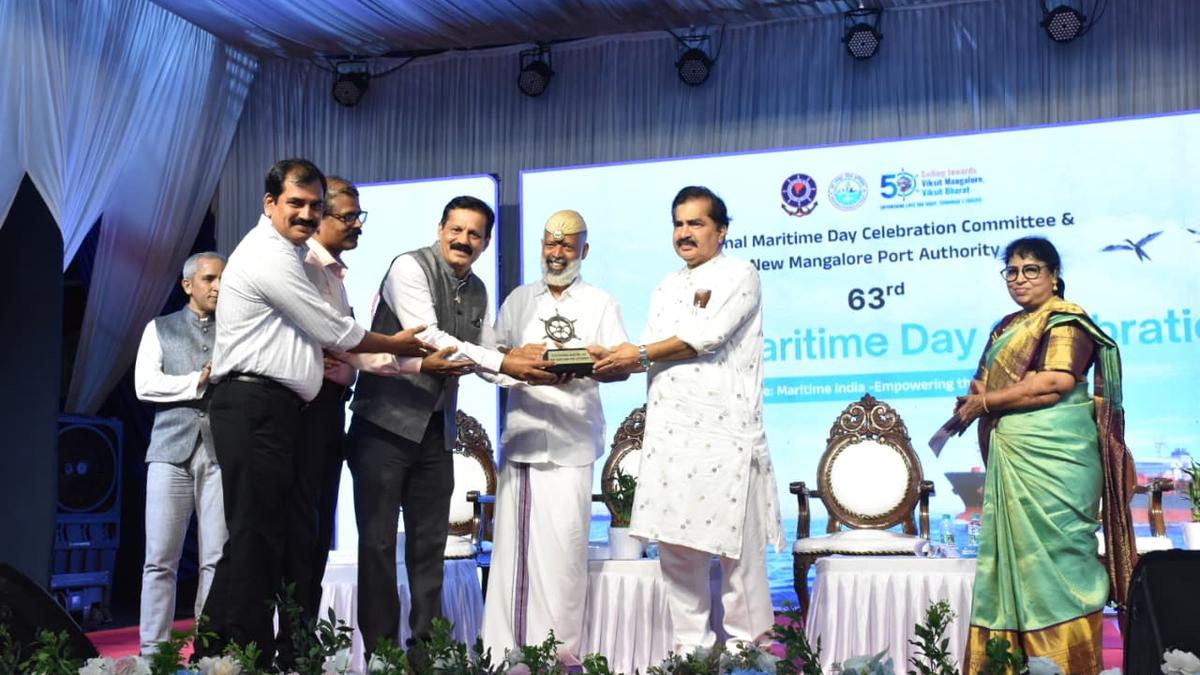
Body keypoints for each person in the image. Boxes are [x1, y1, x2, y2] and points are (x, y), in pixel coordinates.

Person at [198, 158, 433, 666]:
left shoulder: (291, 253)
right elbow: (334, 331)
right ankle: (241, 657)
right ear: (270, 204)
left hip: (280, 409)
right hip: (253, 405)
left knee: (275, 536)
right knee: (256, 537)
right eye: (297, 204)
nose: (307, 214)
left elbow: (324, 337)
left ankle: (250, 653)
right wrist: (396, 344)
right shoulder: (270, 254)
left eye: (314, 206)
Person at [347, 195, 554, 654]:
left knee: (430, 549)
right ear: (440, 229)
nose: (464, 240)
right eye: (456, 229)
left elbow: (485, 357)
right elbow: (431, 338)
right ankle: (382, 656)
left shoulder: (477, 289)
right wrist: (506, 361)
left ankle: (428, 653)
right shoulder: (408, 268)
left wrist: (537, 373)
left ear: (486, 242)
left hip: (436, 433)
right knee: (378, 546)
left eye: (474, 234)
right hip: (382, 428)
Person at [281, 176, 468, 657]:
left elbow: (350, 349)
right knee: (339, 541)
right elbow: (352, 343)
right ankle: (369, 656)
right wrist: (413, 359)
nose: (357, 225)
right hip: (332, 418)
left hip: (352, 414)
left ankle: (422, 655)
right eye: (347, 216)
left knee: (332, 540)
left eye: (358, 216)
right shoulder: (305, 267)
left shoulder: (333, 273)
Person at [593, 186, 785, 652]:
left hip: (726, 436)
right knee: (676, 549)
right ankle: (690, 651)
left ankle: (748, 653)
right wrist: (604, 361)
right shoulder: (666, 286)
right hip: (671, 436)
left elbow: (707, 336)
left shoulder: (740, 274)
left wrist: (635, 354)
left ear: (721, 230)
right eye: (678, 223)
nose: (684, 232)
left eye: (696, 223)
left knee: (738, 553)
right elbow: (647, 352)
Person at [953, 236, 1136, 673]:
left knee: (1061, 565)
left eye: (1031, 270)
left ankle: (1066, 664)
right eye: (1012, 271)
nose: (1020, 279)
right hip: (1012, 457)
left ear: (1054, 276)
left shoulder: (1067, 321)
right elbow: (982, 383)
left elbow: (1054, 383)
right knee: (1013, 566)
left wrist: (989, 401)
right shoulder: (1004, 327)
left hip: (1057, 463)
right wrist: (977, 399)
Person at [481, 210, 629, 660]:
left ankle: (560, 655)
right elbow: (489, 359)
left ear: (584, 250)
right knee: (515, 556)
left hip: (573, 438)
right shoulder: (519, 299)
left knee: (565, 552)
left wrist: (595, 361)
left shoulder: (601, 302)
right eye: (550, 243)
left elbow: (621, 366)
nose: (557, 252)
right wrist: (518, 360)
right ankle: (507, 654)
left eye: (566, 245)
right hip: (526, 438)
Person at [134, 252, 228, 655]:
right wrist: (196, 382)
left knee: (215, 559)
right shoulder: (160, 328)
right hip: (169, 452)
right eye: (209, 279)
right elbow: (144, 385)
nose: (218, 286)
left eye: (222, 278)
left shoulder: (235, 329)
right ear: (188, 285)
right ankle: (153, 652)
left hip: (220, 451)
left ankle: (207, 651)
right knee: (160, 558)